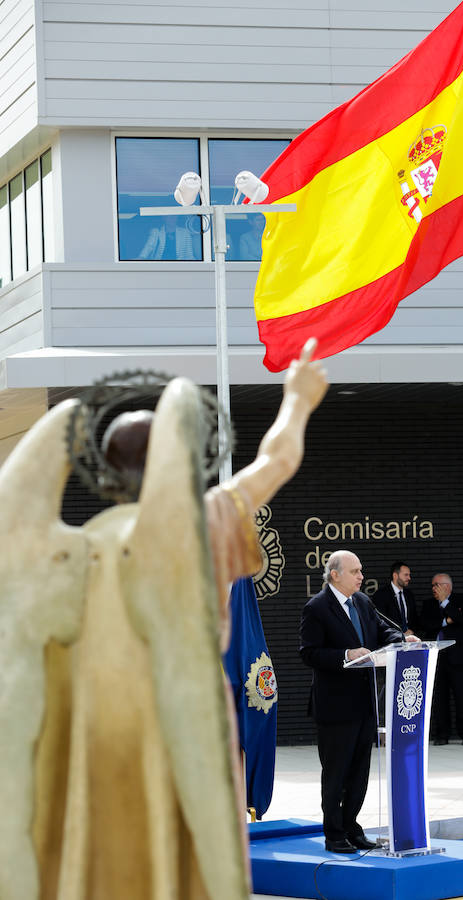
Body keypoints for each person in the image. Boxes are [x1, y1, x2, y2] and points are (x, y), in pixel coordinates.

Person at [0, 338, 327, 899]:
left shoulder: (65, 552)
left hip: (91, 737)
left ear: (106, 474)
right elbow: (278, 461)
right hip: (182, 732)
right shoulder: (200, 526)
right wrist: (298, 400)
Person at [299, 550, 416, 854]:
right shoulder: (317, 608)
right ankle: (334, 833)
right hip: (335, 707)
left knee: (359, 773)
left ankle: (352, 826)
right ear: (335, 574)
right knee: (336, 773)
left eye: (361, 570)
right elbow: (308, 653)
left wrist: (403, 639)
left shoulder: (363, 602)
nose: (361, 576)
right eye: (355, 571)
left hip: (365, 703)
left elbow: (384, 628)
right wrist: (345, 655)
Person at [421, 573, 463, 746]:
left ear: (447, 586)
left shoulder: (461, 600)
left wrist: (446, 603)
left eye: (436, 585)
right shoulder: (428, 604)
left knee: (461, 697)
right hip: (437, 657)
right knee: (439, 698)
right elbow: (426, 624)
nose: (433, 589)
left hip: (458, 657)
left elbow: (461, 619)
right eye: (432, 585)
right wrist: (446, 620)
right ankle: (441, 734)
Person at [372, 560, 419, 634]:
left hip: (410, 639)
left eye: (409, 575)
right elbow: (381, 621)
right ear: (395, 575)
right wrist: (400, 634)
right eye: (406, 575)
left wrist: (411, 630)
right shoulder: (381, 595)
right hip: (392, 638)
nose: (409, 578)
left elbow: (414, 619)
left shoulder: (409, 594)